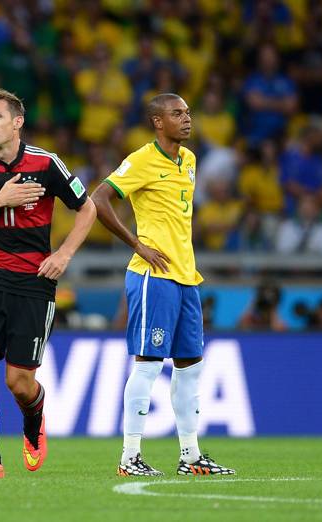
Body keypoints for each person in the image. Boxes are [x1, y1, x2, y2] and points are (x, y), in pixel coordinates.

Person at [0, 88, 96, 478]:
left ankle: (34, 421)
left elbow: (87, 207)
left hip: (33, 282)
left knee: (19, 382)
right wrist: (0, 198)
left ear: (17, 122)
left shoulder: (46, 163)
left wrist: (62, 255)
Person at [91, 93, 235, 477]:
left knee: (190, 367)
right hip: (154, 276)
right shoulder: (141, 160)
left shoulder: (188, 160)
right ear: (158, 122)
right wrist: (138, 244)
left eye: (188, 112)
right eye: (177, 113)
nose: (187, 119)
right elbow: (99, 199)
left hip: (187, 275)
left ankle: (190, 456)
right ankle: (130, 457)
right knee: (149, 363)